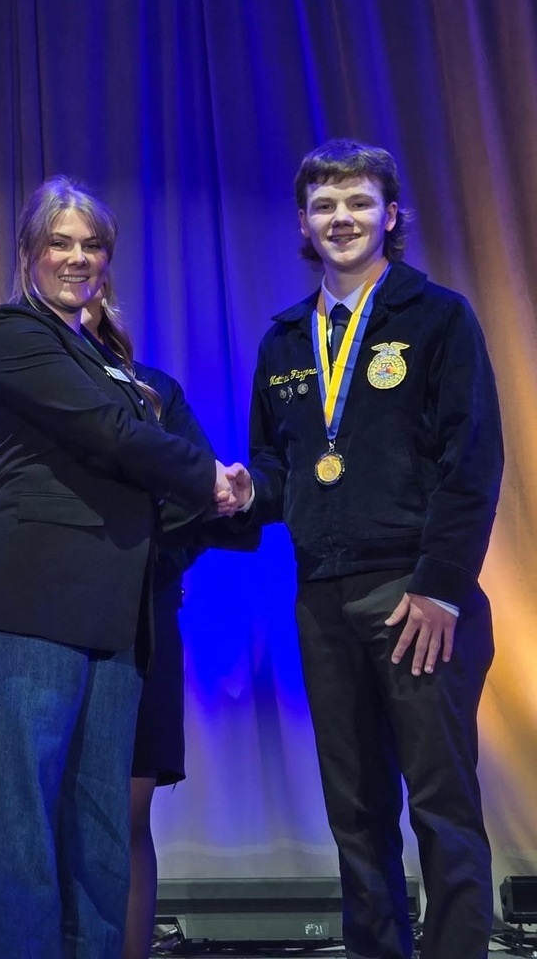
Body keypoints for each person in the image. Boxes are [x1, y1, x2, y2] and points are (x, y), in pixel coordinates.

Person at [0, 175, 236, 959]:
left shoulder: (128, 375)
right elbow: (103, 434)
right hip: (28, 607)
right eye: (59, 243)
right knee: (21, 822)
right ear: (30, 254)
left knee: (101, 828)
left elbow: (155, 462)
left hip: (115, 609)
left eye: (91, 244)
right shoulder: (14, 333)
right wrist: (3, 546)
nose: (76, 257)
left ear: (108, 258)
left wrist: (209, 493)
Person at [227, 140, 503, 959]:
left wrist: (442, 587)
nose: (340, 219)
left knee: (442, 804)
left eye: (357, 203)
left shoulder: (438, 317)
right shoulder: (284, 341)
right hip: (321, 595)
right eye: (323, 206)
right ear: (304, 225)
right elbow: (280, 469)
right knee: (354, 808)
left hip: (417, 596)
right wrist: (247, 495)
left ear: (391, 215)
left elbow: (472, 460)